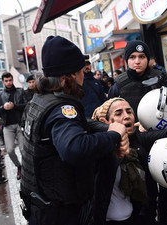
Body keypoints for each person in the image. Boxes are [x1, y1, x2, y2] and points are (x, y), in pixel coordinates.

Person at [20, 36, 129, 225]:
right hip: (58, 213)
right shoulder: (61, 109)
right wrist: (113, 136)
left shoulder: (41, 99)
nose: (83, 76)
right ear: (69, 76)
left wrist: (110, 128)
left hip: (42, 206)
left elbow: (79, 123)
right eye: (80, 71)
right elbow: (74, 147)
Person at [90, 97, 167, 225]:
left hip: (138, 217)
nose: (126, 116)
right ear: (105, 121)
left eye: (129, 112)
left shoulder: (139, 139)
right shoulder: (98, 147)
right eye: (118, 113)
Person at [108, 40, 167, 119]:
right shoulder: (119, 84)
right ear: (127, 60)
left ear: (147, 59)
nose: (137, 62)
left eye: (142, 57)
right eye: (132, 57)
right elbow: (111, 114)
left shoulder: (160, 78)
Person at [0, 72, 27, 180]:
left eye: (10, 80)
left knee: (23, 149)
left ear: (12, 80)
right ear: (3, 82)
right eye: (6, 81)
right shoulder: (0, 95)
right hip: (7, 126)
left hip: (19, 124)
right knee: (9, 150)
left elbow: (26, 105)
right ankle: (19, 166)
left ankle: (27, 169)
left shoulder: (20, 91)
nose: (8, 83)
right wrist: (3, 107)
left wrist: (14, 106)